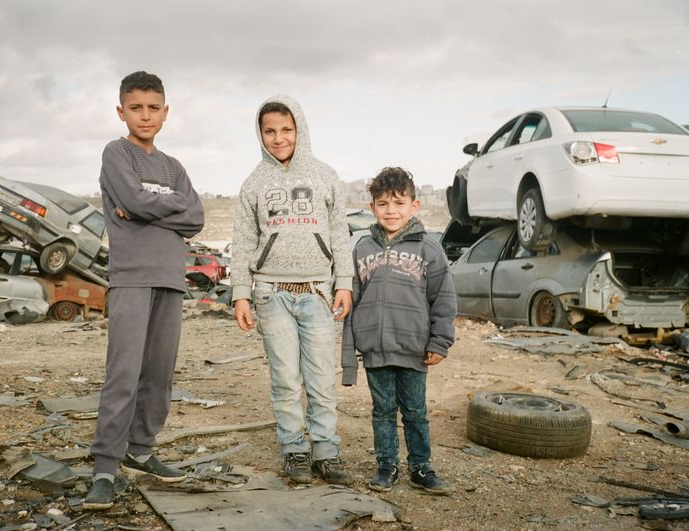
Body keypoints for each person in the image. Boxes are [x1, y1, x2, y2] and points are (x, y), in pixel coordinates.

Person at [83, 71, 205, 510]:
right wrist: (159, 207)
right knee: (124, 373)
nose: (145, 116)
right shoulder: (116, 153)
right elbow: (134, 201)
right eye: (136, 108)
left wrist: (144, 210)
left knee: (159, 373)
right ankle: (104, 466)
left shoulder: (174, 167)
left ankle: (141, 451)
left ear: (165, 112)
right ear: (122, 111)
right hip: (131, 277)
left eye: (154, 108)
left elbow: (196, 218)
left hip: (170, 278)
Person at [230, 95, 354, 485]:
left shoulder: (325, 176)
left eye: (286, 129)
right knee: (285, 378)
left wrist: (344, 282)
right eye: (270, 131)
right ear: (260, 134)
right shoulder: (253, 184)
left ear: (300, 129)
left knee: (321, 378)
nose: (279, 138)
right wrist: (240, 293)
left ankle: (326, 451)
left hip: (318, 292)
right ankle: (294, 450)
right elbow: (243, 241)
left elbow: (340, 234)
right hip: (271, 294)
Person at [341, 167, 456, 494]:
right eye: (382, 204)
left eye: (399, 203)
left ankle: (420, 467)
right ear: (372, 207)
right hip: (375, 349)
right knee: (382, 411)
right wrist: (350, 351)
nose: (391, 211)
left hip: (413, 348)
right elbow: (351, 300)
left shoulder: (429, 249)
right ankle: (386, 465)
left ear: (414, 206)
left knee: (415, 411)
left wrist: (440, 341)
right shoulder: (362, 249)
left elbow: (443, 298)